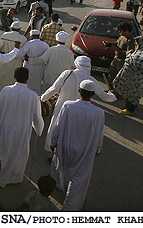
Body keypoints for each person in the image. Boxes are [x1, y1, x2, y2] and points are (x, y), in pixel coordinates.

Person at [40, 56, 115, 156]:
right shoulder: (90, 79)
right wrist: (113, 95)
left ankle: (52, 153)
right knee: (73, 132)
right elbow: (103, 96)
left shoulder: (67, 73)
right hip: (80, 110)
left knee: (57, 128)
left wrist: (43, 99)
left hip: (62, 107)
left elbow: (54, 88)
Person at [50, 80, 105, 211]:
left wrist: (53, 141)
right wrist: (98, 148)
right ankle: (70, 207)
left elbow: (58, 125)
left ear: (79, 91)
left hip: (66, 145)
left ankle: (61, 189)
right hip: (86, 149)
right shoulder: (98, 112)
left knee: (63, 168)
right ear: (92, 94)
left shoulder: (68, 105)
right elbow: (100, 133)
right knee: (78, 178)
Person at [0, 67, 44, 187]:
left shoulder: (6, 90)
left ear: (14, 76)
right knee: (17, 154)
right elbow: (37, 117)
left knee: (2, 150)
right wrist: (39, 130)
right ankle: (13, 177)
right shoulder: (32, 96)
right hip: (22, 130)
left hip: (5, 127)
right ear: (28, 78)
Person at [113, 35, 143, 115]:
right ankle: (128, 104)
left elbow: (138, 63)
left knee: (133, 93)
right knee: (128, 91)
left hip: (136, 79)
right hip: (129, 77)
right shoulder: (138, 51)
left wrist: (129, 55)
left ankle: (130, 109)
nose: (136, 44)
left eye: (137, 43)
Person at [0, 21, 27, 90]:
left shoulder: (5, 35)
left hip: (4, 62)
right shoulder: (23, 39)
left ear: (11, 28)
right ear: (19, 29)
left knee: (1, 83)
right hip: (16, 63)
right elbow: (23, 54)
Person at [15, 29, 49, 95]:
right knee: (37, 87)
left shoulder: (29, 44)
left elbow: (18, 55)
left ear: (31, 36)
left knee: (28, 87)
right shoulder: (45, 45)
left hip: (29, 68)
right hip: (40, 69)